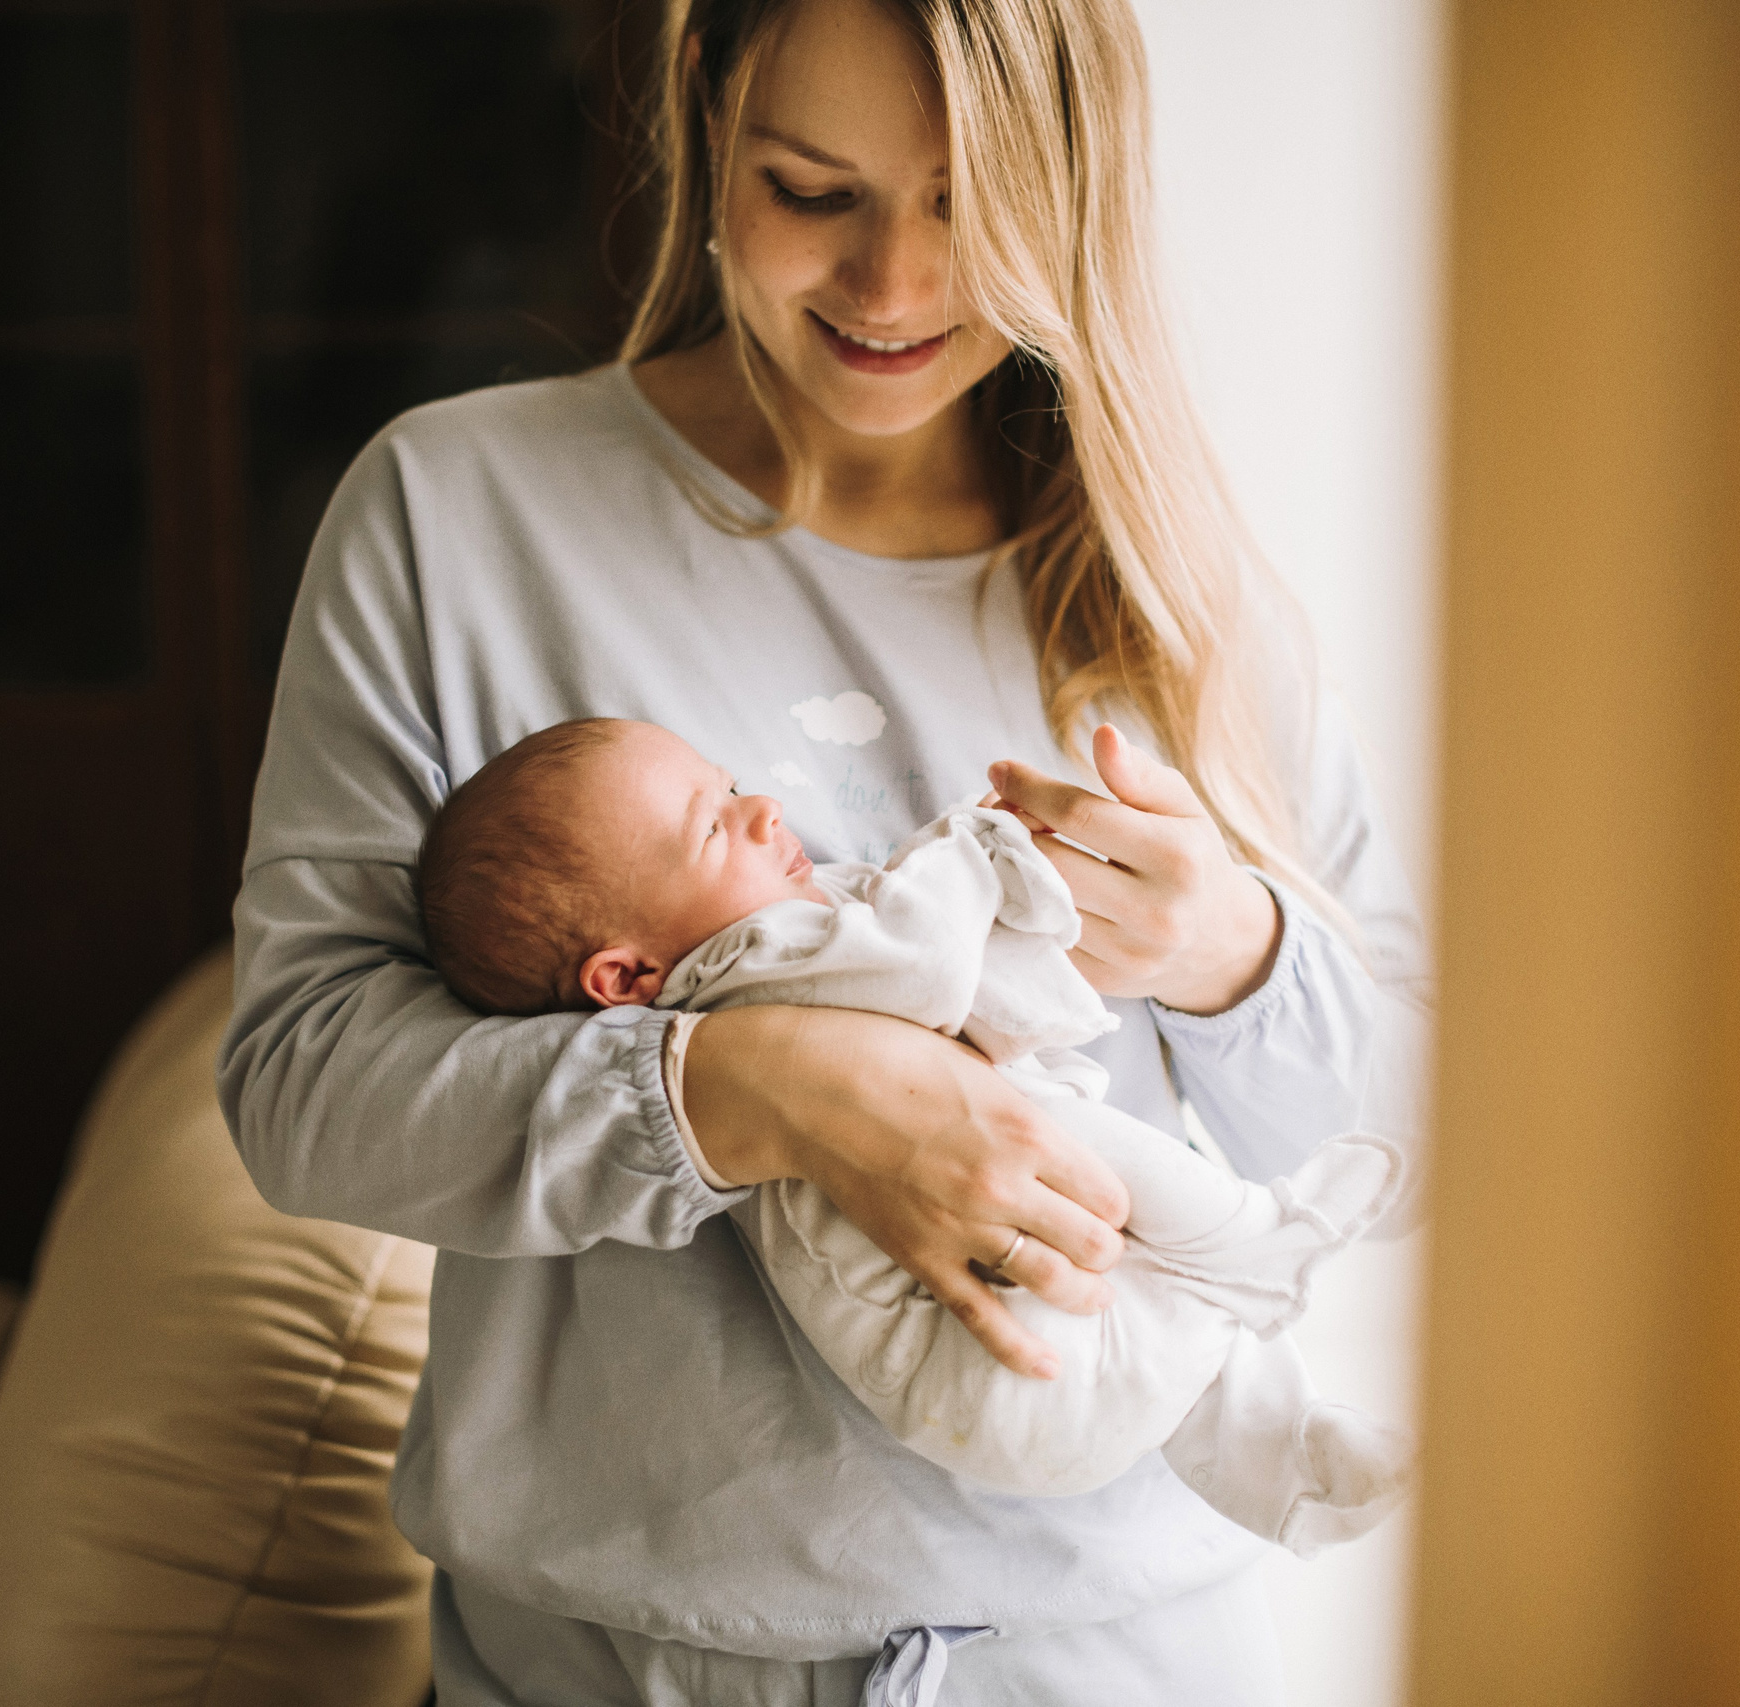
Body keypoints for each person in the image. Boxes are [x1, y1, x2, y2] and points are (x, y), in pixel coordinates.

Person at [216, 0, 1433, 1697]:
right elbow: (305, 1088)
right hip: (620, 1664)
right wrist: (767, 1091)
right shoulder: (458, 515)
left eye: (969, 201)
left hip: (1123, 1659)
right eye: (816, 191)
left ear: (1073, 192)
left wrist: (1234, 957)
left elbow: (1422, 1128)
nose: (892, 289)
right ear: (707, 128)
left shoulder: (1178, 580)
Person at [413, 715, 1414, 1549]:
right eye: (711, 828)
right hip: (1004, 1376)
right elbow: (922, 953)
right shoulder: (750, 967)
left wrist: (1226, 943)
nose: (762, 809)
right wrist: (974, 850)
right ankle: (1263, 1237)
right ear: (625, 979)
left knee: (1175, 1346)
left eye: (729, 787)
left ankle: (1288, 1469)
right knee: (1097, 1169)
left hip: (1002, 1410)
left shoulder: (741, 979)